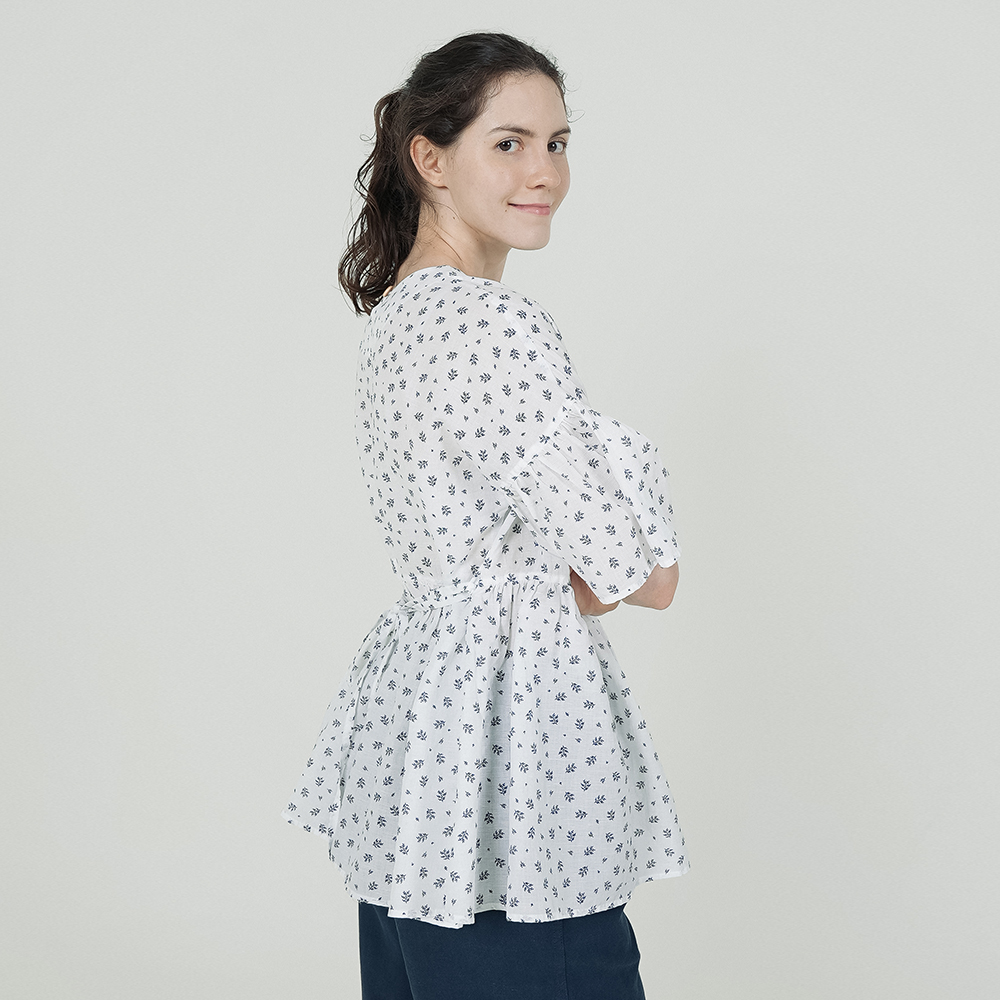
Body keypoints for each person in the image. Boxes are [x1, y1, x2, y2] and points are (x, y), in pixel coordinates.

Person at [283, 32, 686, 1000]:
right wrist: (626, 466)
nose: (544, 172)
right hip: (512, 760)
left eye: (557, 143)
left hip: (420, 748)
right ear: (430, 157)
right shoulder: (490, 322)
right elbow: (641, 575)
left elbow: (535, 559)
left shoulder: (402, 316)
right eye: (509, 143)